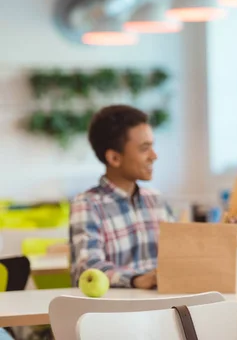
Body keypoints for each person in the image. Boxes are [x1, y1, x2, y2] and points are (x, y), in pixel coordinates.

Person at [70, 105, 174, 289]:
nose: (154, 156)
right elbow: (87, 268)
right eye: (144, 148)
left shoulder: (156, 200)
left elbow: (181, 254)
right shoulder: (88, 204)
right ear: (114, 158)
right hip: (117, 312)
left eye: (152, 146)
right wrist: (137, 279)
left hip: (164, 309)